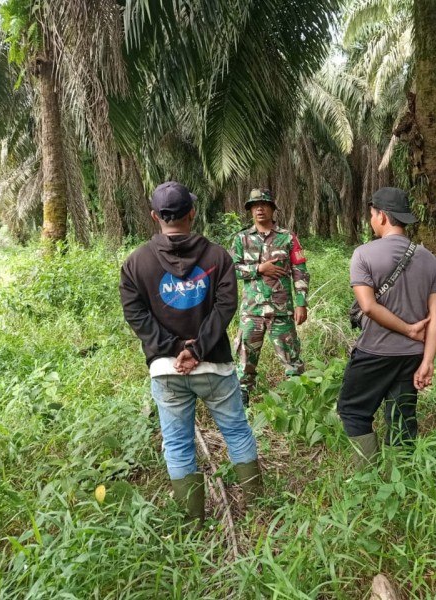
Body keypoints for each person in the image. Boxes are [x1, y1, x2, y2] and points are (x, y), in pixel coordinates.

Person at [119, 181, 262, 522]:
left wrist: (173, 349)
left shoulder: (135, 263)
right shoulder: (218, 256)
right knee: (237, 432)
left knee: (178, 443)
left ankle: (193, 518)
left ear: (156, 216)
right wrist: (198, 349)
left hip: (166, 371)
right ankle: (258, 506)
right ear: (192, 213)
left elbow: (135, 315)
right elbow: (226, 307)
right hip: (214, 367)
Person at [338, 187, 436, 467]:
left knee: (352, 410)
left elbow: (368, 306)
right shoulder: (430, 260)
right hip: (412, 356)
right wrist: (428, 360)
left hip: (374, 351)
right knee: (401, 416)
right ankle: (401, 481)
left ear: (382, 216)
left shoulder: (363, 254)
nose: (372, 219)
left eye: (372, 214)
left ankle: (367, 476)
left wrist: (408, 329)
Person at [230, 188, 310, 405]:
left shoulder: (287, 238)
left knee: (292, 361)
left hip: (281, 311)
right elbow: (232, 270)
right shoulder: (242, 239)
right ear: (250, 211)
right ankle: (242, 402)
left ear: (273, 209)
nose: (259, 209)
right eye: (255, 206)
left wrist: (301, 303)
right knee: (245, 361)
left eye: (264, 204)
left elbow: (300, 271)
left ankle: (298, 403)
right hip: (252, 312)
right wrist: (259, 268)